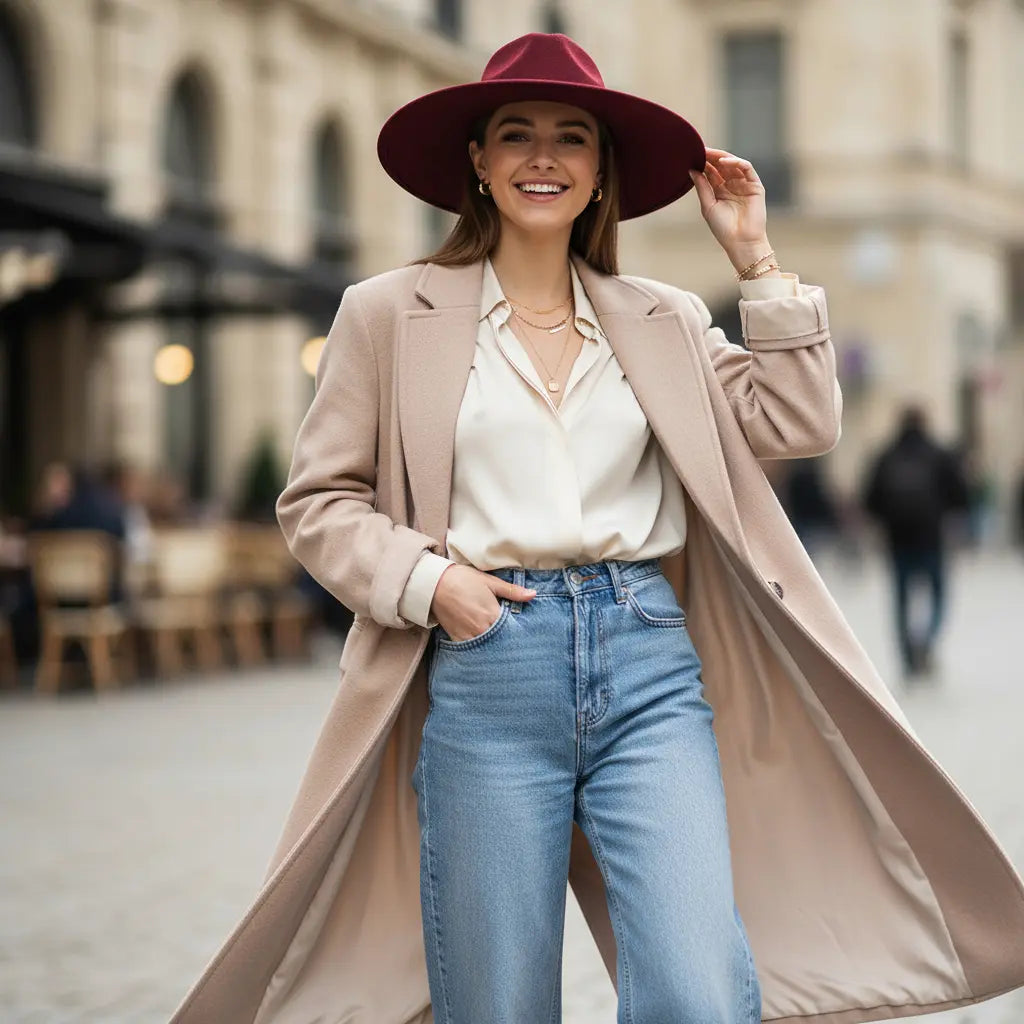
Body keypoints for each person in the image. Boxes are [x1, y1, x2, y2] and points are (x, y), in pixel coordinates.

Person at [171, 33, 1024, 1024]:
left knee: (700, 989)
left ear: (600, 172)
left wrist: (754, 257)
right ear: (479, 166)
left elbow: (799, 421)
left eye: (571, 138)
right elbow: (317, 502)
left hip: (648, 659)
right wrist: (429, 584)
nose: (544, 157)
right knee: (497, 1004)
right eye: (517, 136)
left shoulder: (659, 317)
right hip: (487, 663)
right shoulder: (388, 314)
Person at [862, 405, 969, 677]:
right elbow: (960, 494)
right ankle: (927, 640)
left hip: (897, 540)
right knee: (938, 594)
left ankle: (908, 655)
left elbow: (870, 499)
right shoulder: (938, 454)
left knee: (901, 599)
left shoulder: (886, 455)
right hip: (931, 537)